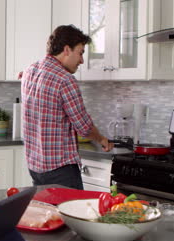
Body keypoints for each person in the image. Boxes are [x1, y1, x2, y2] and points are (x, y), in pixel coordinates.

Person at [21, 25, 114, 189]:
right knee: (71, 214)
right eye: (80, 52)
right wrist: (102, 139)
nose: (82, 60)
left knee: (48, 214)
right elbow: (84, 127)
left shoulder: (29, 71)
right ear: (66, 50)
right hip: (60, 170)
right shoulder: (65, 79)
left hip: (35, 168)